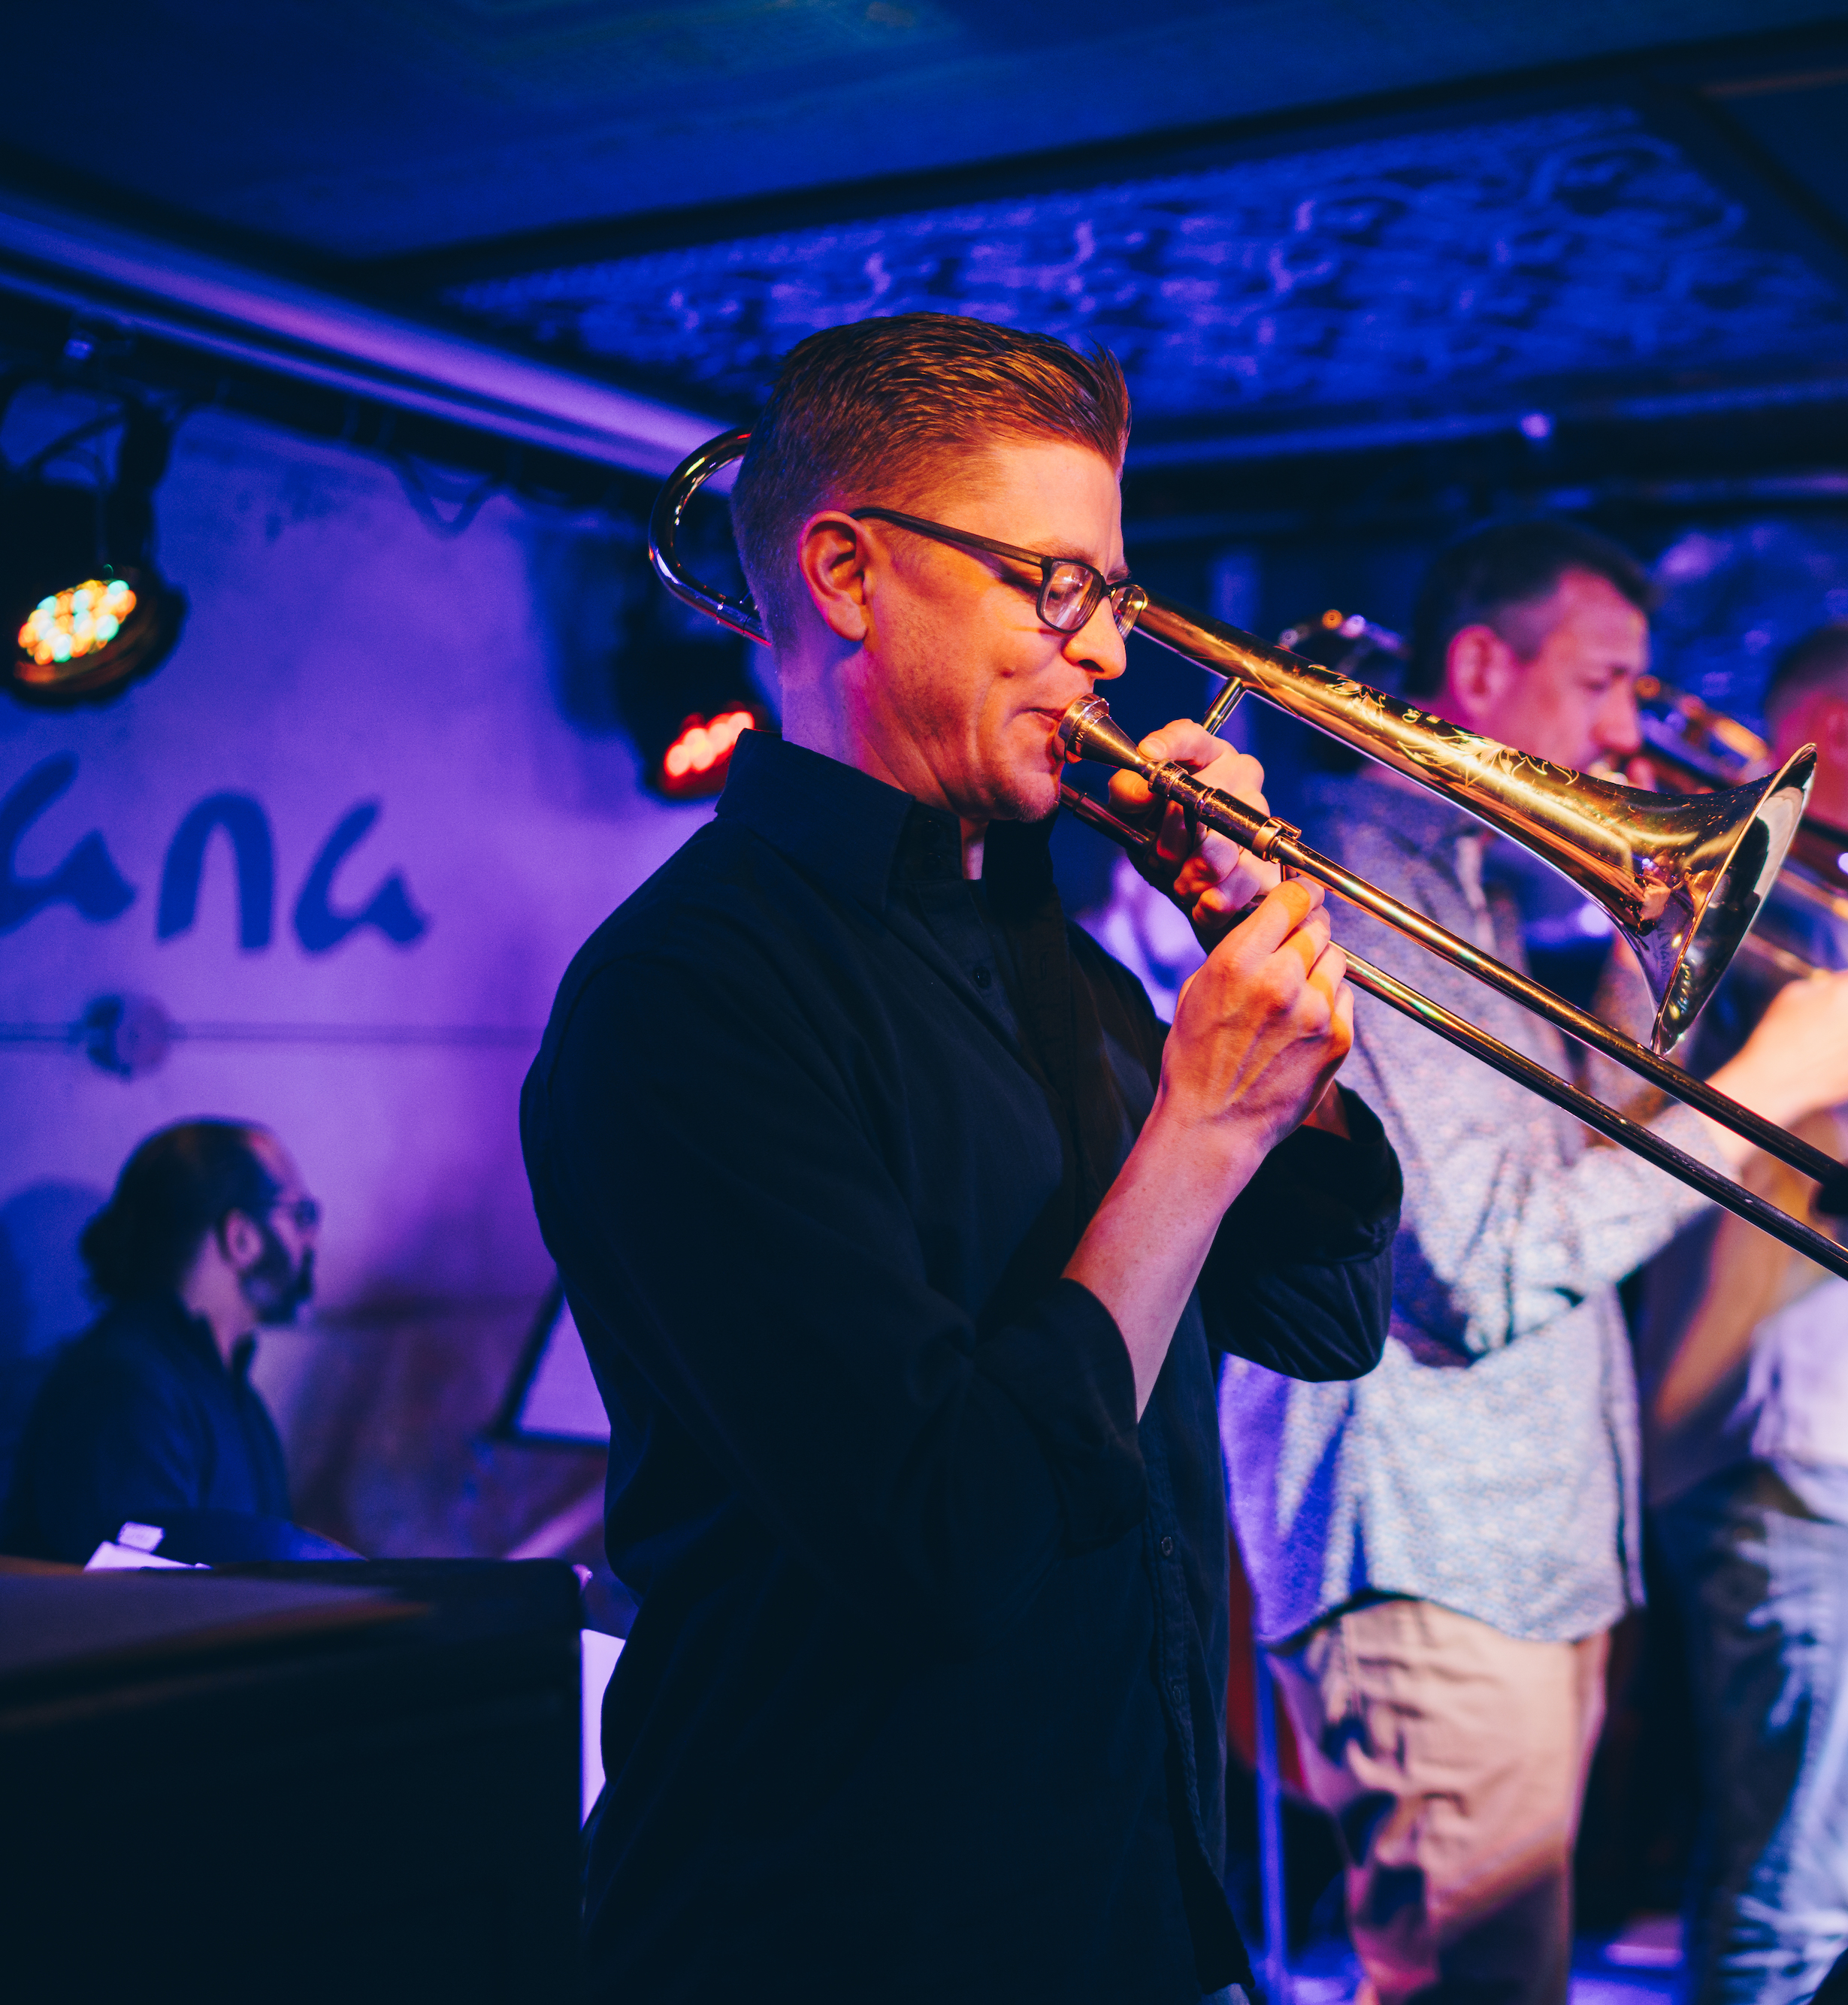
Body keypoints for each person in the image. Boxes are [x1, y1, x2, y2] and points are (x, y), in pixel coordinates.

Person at [521, 313, 1402, 2003]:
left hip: (1122, 1901)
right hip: (838, 1929)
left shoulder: (1052, 953)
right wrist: (1202, 1117)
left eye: (1114, 597)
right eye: (1052, 585)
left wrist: (1255, 971)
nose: (1107, 654)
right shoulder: (684, 994)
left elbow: (1323, 1313)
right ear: (849, 573)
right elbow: (948, 1530)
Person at [1223, 523, 1848, 2005]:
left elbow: (1562, 1170)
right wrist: (1771, 1086)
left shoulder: (1465, 884)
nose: (1620, 732)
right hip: (1426, 1548)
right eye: (1601, 683)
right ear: (1479, 665)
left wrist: (1638, 959)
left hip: (1519, 1547)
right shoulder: (1354, 877)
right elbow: (1479, 1267)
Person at [1632, 619, 1848, 2004]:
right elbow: (1817, 1174)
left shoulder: (1825, 916)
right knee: (1801, 1898)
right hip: (1782, 1436)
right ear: (1840, 721)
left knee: (1783, 1865)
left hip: (1787, 1436)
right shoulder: (1781, 911)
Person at [2, 1118, 327, 1565]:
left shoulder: (229, 1393)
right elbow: (139, 1606)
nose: (311, 1237)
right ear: (242, 1238)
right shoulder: (123, 1387)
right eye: (300, 1215)